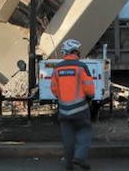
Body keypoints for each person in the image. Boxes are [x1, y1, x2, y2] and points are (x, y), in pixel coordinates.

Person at [49, 38, 95, 170]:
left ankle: (69, 164)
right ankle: (80, 157)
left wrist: (62, 98)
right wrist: (90, 97)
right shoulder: (81, 66)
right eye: (78, 51)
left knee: (68, 138)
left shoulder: (58, 68)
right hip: (80, 109)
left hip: (64, 110)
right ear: (74, 51)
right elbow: (89, 89)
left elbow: (53, 88)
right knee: (85, 131)